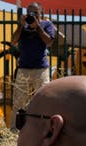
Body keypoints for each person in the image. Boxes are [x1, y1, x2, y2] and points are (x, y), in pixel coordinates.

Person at [10, 2, 55, 130]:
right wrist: (21, 25)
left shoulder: (47, 25)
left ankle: (45, 130)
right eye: (30, 12)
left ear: (41, 14)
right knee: (18, 102)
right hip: (23, 68)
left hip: (41, 69)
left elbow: (49, 42)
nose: (32, 15)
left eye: (35, 12)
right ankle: (13, 132)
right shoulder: (23, 27)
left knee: (44, 100)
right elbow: (13, 40)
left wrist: (38, 27)